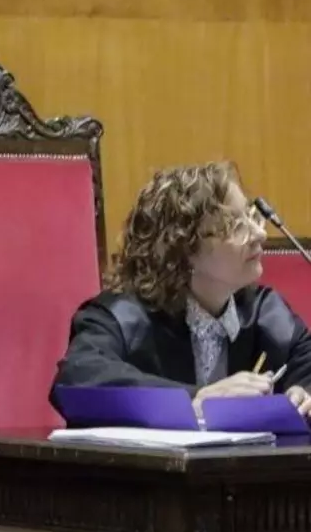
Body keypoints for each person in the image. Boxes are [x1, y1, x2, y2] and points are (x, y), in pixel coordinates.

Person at [52, 160, 311, 417]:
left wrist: (304, 394)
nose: (260, 235)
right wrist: (194, 400)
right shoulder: (122, 318)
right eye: (234, 225)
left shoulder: (268, 316)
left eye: (251, 216)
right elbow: (77, 379)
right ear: (183, 249)